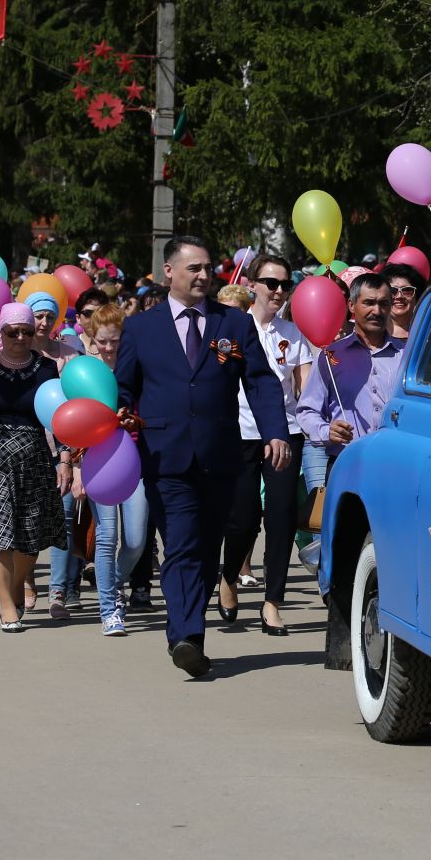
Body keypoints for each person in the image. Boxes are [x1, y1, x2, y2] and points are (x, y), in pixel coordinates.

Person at [114, 236, 289, 678]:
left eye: (208, 267)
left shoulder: (233, 323)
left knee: (208, 550)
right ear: (168, 271)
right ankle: (187, 637)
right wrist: (120, 411)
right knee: (181, 546)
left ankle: (186, 632)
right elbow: (124, 386)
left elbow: (261, 381)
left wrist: (275, 432)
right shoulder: (141, 328)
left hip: (219, 455)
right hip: (164, 455)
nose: (203, 275)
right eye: (193, 268)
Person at [0, 303, 69, 632]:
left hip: (33, 458)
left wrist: (63, 458)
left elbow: (58, 417)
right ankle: (7, 605)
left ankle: (18, 582)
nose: (20, 337)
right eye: (12, 331)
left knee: (30, 536)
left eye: (27, 331)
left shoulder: (46, 368)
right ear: (0, 333)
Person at [219, 255, 312, 636]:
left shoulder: (294, 332)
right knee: (242, 516)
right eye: (270, 283)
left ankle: (273, 602)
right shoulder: (229, 329)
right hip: (239, 432)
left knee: (281, 516)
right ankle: (228, 576)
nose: (277, 291)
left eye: (284, 284)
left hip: (285, 433)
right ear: (252, 285)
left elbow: (304, 388)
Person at [68, 303, 151, 636]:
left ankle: (115, 579)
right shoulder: (84, 371)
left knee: (135, 540)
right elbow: (72, 424)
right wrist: (76, 471)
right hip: (97, 461)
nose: (108, 347)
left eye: (115, 340)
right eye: (102, 340)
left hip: (135, 463)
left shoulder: (138, 370)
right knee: (106, 537)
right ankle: (109, 609)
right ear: (92, 337)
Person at [299, 272, 405, 468]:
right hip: (345, 463)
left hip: (395, 464)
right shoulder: (330, 357)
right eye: (369, 303)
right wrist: (326, 430)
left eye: (383, 303)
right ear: (351, 306)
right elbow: (307, 410)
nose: (377, 310)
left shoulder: (406, 355)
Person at [382, 262, 427, 341]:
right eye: (392, 290)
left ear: (417, 296)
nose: (399, 296)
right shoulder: (373, 333)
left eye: (407, 290)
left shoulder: (428, 330)